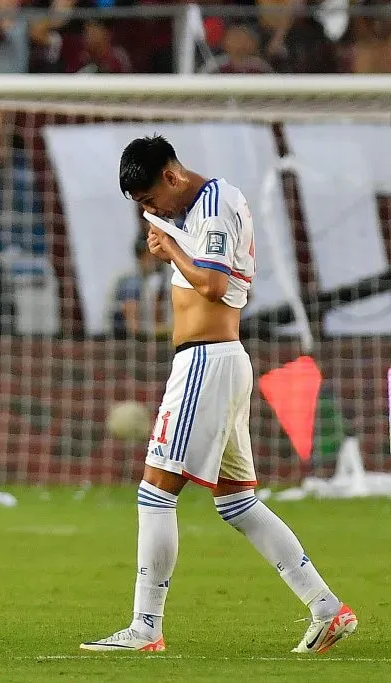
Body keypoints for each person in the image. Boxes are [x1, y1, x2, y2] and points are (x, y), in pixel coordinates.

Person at [81, 136, 356, 654]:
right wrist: (169, 236)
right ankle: (326, 608)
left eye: (150, 198)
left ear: (171, 176)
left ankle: (145, 627)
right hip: (216, 360)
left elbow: (210, 284)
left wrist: (170, 248)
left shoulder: (213, 204)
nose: (150, 210)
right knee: (237, 501)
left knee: (155, 491)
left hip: (206, 362)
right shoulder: (197, 210)